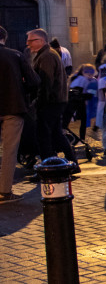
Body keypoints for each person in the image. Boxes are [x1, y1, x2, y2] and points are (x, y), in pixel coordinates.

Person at [0, 26, 40, 202]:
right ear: (4, 38)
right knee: (10, 150)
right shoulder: (15, 55)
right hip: (13, 107)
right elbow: (34, 81)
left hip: (11, 105)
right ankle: (4, 191)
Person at [27, 29, 77, 166]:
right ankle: (72, 163)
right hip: (55, 101)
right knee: (56, 133)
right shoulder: (45, 54)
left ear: (40, 41)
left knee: (44, 135)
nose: (28, 44)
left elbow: (45, 81)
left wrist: (39, 102)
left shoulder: (47, 56)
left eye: (31, 41)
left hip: (51, 101)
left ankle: (49, 166)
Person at [66, 64, 97, 145]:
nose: (90, 75)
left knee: (82, 121)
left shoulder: (77, 78)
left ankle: (79, 139)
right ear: (83, 72)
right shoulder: (81, 80)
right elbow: (85, 93)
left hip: (77, 103)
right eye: (88, 73)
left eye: (91, 73)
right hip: (76, 103)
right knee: (80, 121)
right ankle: (78, 140)